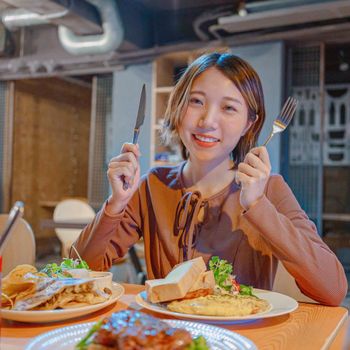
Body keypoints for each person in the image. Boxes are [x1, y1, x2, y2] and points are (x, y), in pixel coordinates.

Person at [72, 52, 347, 306]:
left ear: (249, 123)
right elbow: (76, 273)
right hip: (168, 338)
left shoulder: (269, 189)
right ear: (178, 108)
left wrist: (258, 205)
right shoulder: (153, 185)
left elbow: (333, 289)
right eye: (196, 101)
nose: (207, 120)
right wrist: (115, 205)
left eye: (228, 108)